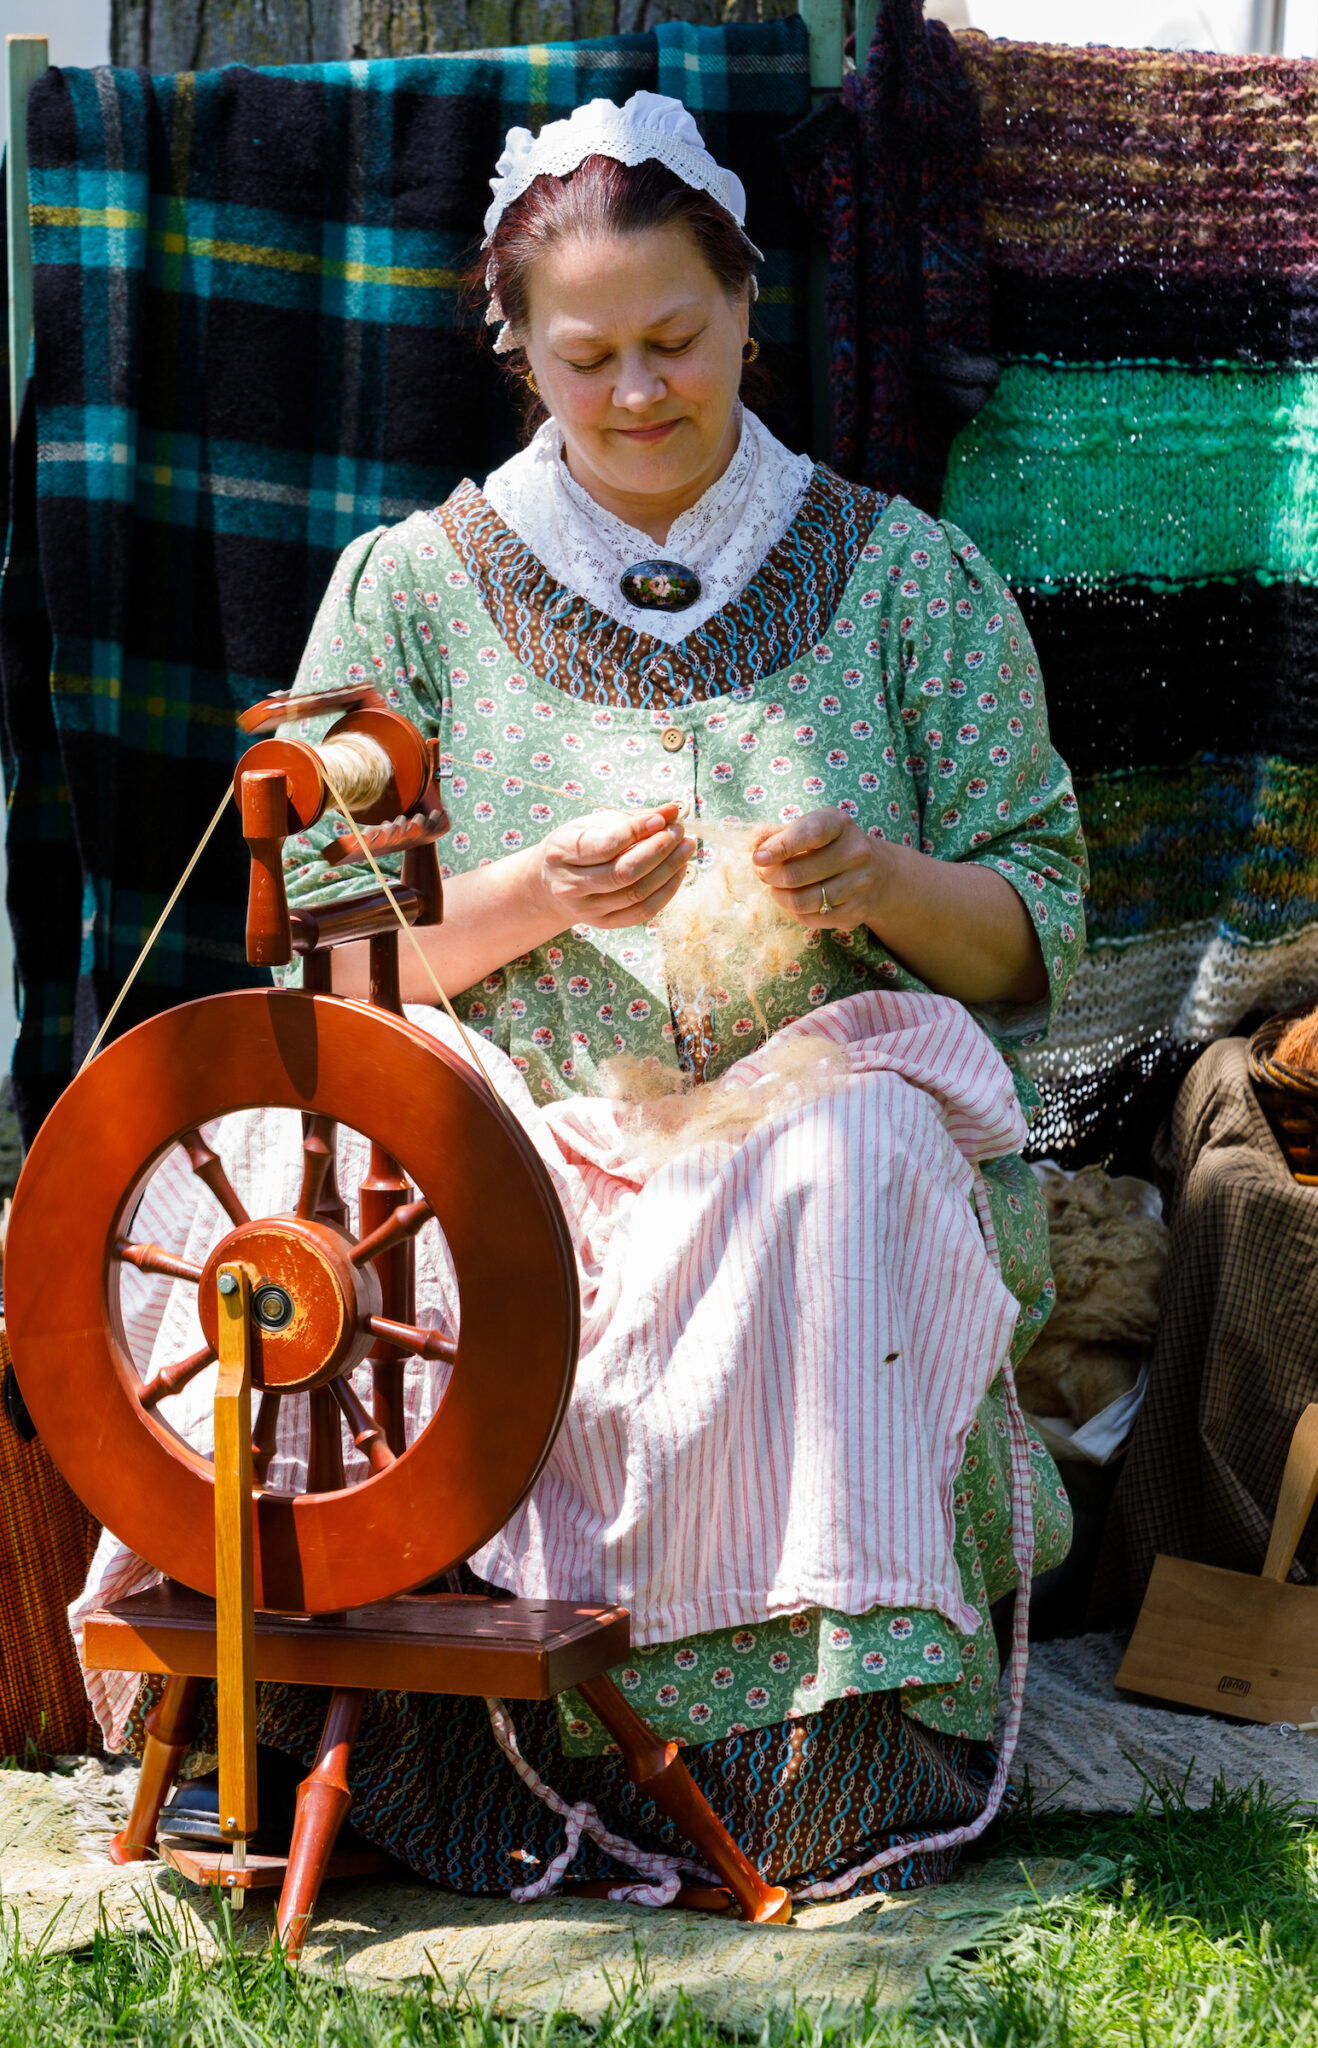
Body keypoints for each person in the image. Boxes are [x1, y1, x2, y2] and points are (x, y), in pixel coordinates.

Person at [84, 90, 1087, 1904]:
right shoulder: (403, 591)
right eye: (587, 354)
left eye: (674, 342)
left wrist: (880, 886)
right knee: (354, 1188)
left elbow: (1034, 930)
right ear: (514, 349)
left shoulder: (909, 581)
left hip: (795, 1137)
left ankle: (814, 1750)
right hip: (520, 1135)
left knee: (846, 1152)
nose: (635, 391)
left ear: (746, 313)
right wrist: (533, 893)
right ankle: (424, 1735)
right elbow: (319, 953)